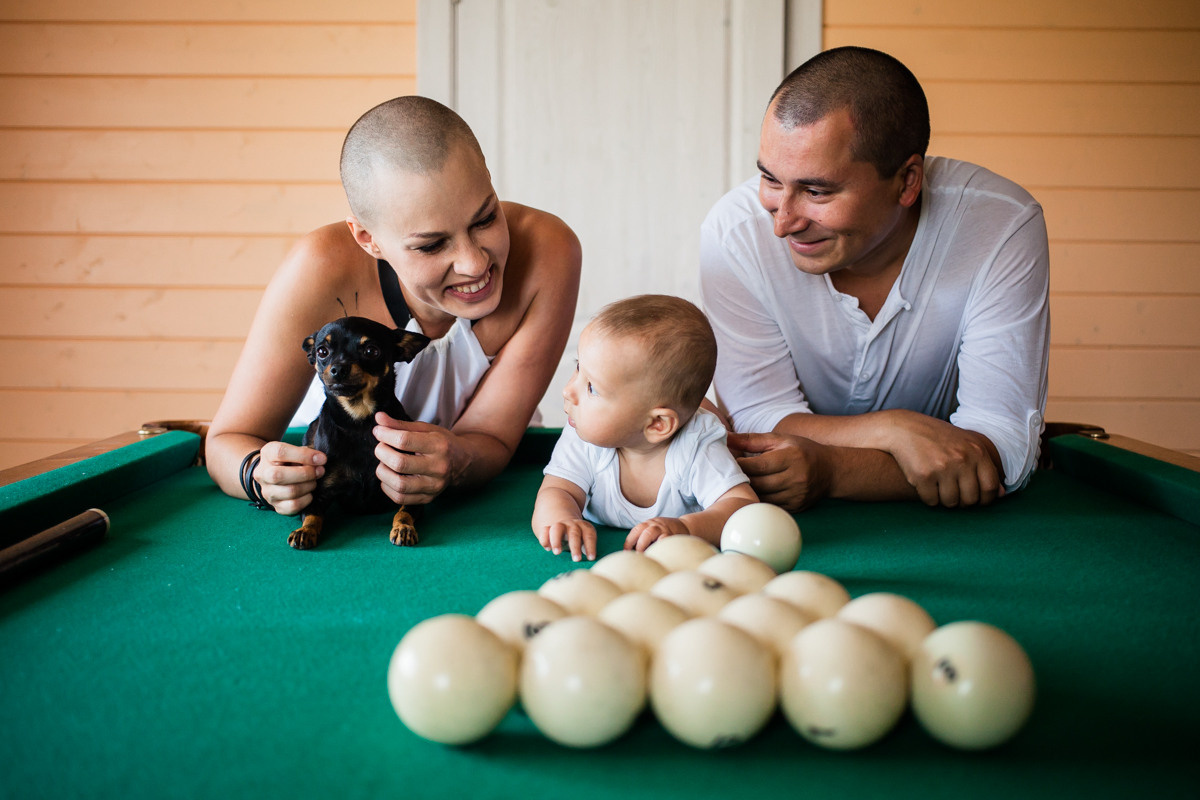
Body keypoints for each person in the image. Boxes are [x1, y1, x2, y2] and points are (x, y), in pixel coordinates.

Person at [699, 46, 1050, 512]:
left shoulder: (1000, 224)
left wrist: (834, 470)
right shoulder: (734, 234)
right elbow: (759, 420)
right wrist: (892, 429)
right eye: (770, 179)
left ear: (907, 182)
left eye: (817, 191)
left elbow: (1000, 446)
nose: (782, 222)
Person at [206, 96, 581, 516]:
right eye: (431, 244)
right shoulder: (317, 268)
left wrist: (456, 461)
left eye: (485, 218)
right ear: (368, 239)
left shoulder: (550, 251)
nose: (476, 263)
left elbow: (491, 438)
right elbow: (229, 439)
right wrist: (260, 475)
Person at [532, 295, 758, 562]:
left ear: (656, 424)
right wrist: (562, 518)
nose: (568, 391)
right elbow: (558, 491)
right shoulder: (583, 433)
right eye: (578, 368)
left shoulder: (697, 444)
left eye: (592, 387)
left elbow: (744, 507)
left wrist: (687, 528)